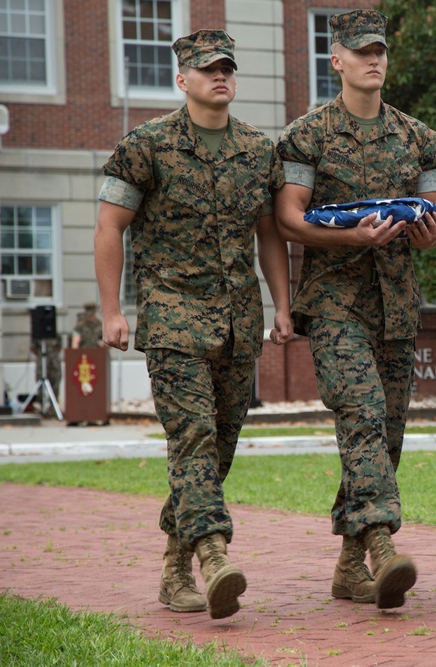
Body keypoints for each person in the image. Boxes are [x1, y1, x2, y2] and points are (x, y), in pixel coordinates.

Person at [94, 29, 292, 619]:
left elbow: (269, 236)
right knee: (195, 437)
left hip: (237, 321)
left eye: (227, 68)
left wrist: (282, 305)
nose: (220, 77)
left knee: (217, 449)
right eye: (208, 70)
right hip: (172, 317)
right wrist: (111, 310)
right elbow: (110, 227)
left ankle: (174, 564)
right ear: (183, 80)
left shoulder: (259, 150)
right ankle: (212, 555)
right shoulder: (146, 145)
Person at [274, 9, 436, 610]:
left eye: (381, 51)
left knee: (385, 433)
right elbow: (288, 218)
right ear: (336, 60)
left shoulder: (418, 136)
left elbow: (435, 216)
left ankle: (349, 569)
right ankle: (380, 545)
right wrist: (348, 239)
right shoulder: (306, 135)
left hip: (396, 304)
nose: (374, 60)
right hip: (335, 303)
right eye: (361, 51)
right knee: (363, 413)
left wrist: (426, 234)